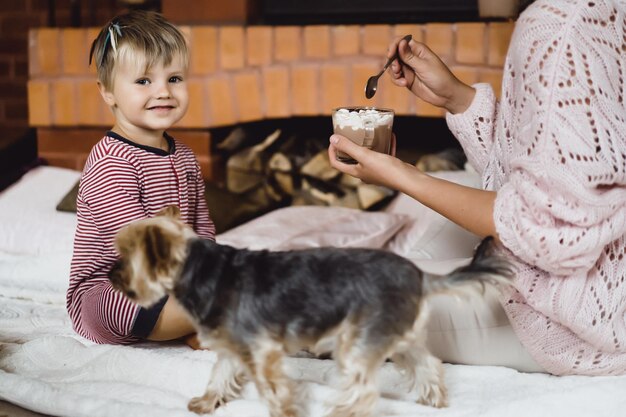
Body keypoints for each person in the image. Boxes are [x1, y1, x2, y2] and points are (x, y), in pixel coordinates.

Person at [329, 0, 626, 376]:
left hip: (580, 325)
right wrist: (457, 98)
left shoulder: (558, 24)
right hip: (601, 287)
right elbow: (555, 174)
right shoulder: (601, 10)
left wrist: (402, 176)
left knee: (319, 289)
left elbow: (547, 230)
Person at [67, 10, 215, 345]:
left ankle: (207, 322)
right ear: (108, 93)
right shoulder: (110, 161)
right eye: (144, 81)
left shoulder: (185, 156)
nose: (163, 91)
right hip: (111, 287)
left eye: (174, 79)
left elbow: (202, 226)